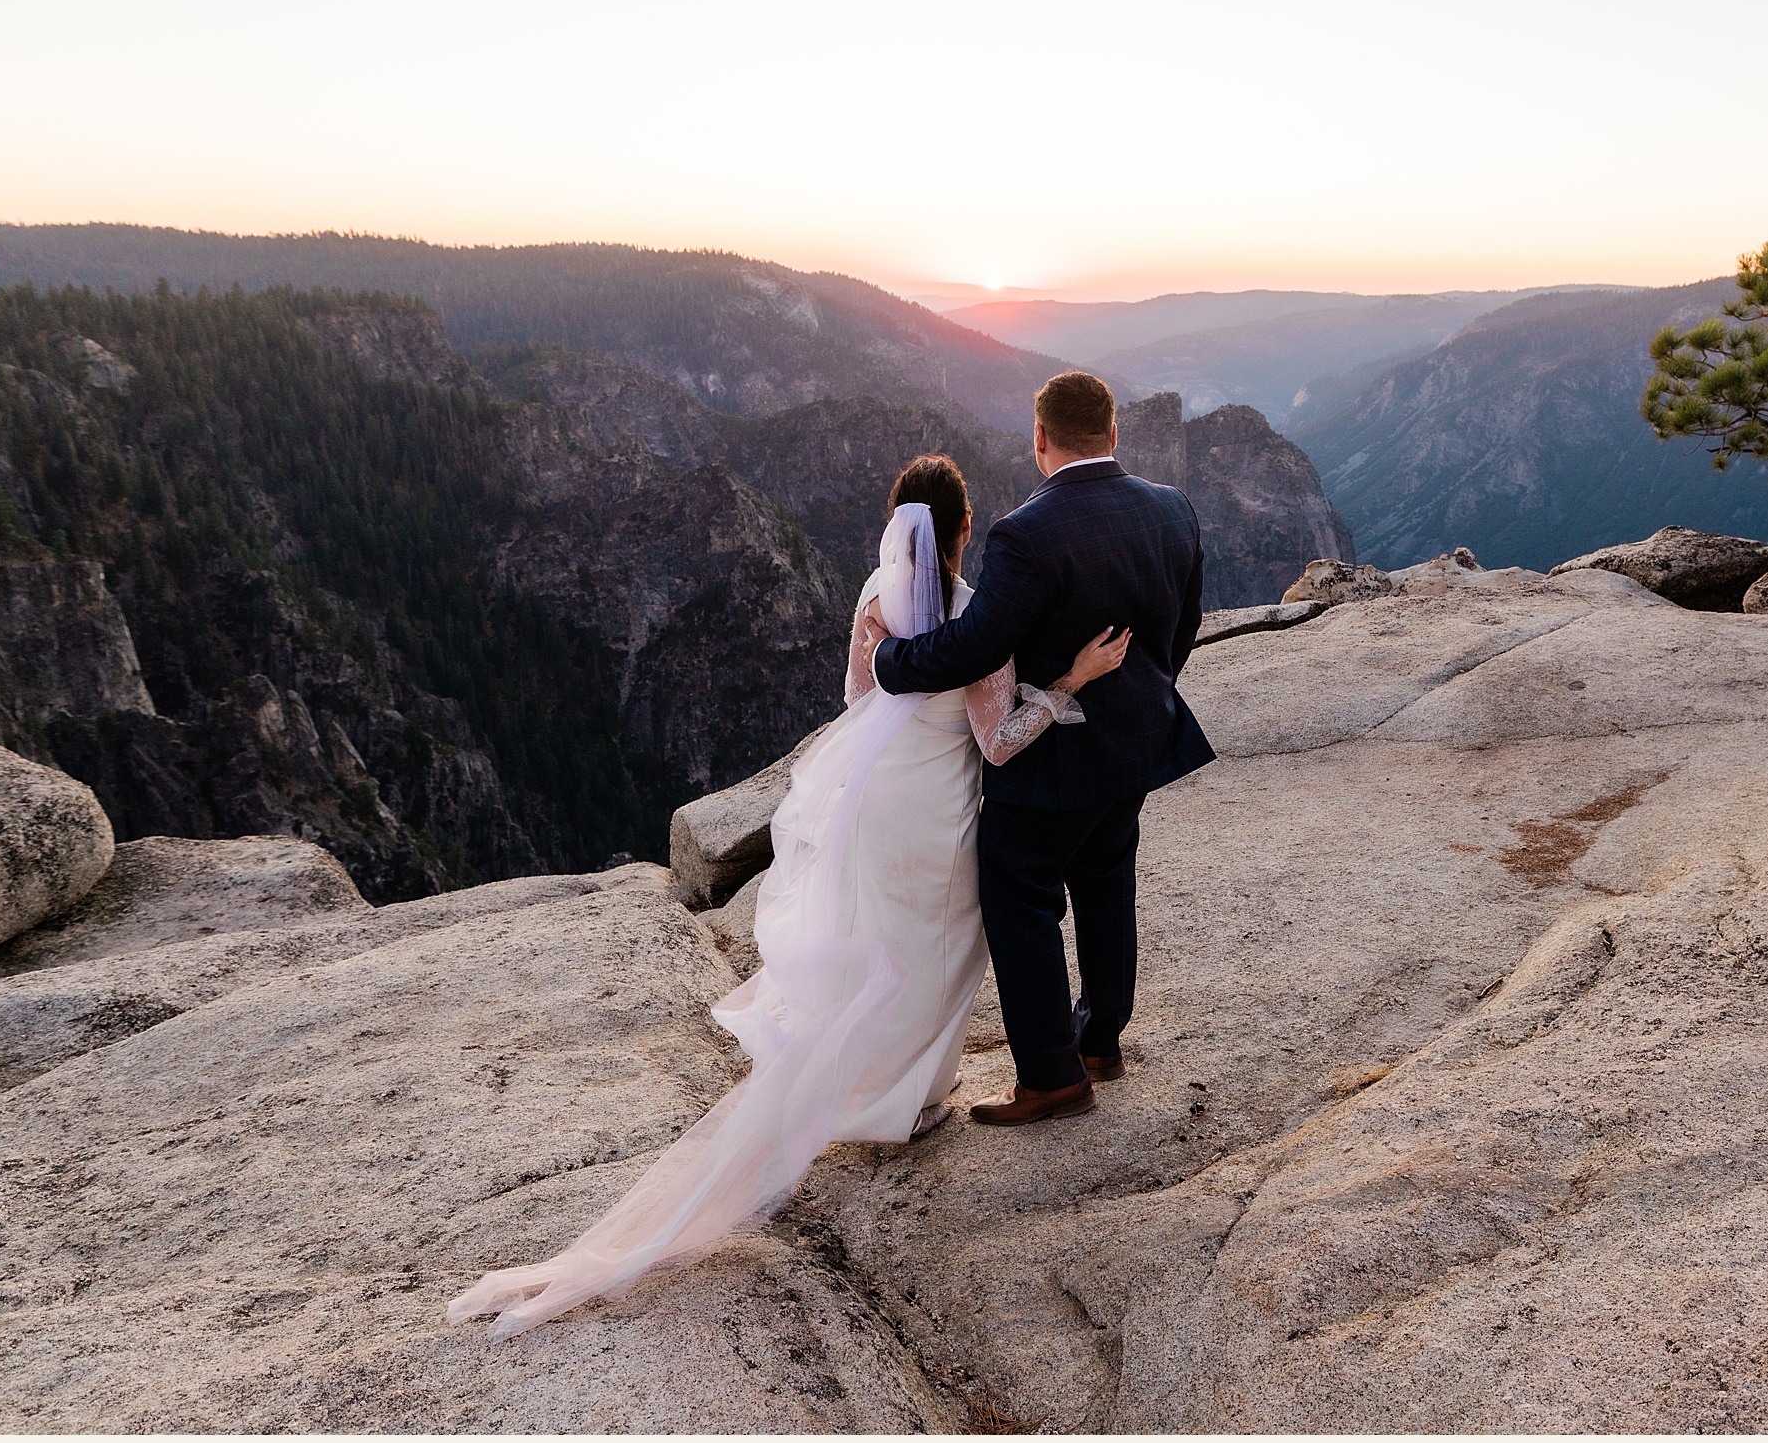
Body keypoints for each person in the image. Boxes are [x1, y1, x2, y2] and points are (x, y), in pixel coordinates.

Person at [447, 453, 1130, 1340]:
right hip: (937, 810)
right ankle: (914, 1098)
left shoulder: (873, 600)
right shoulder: (978, 618)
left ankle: (885, 1093)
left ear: (898, 526)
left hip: (874, 797)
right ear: (965, 530)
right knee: (939, 950)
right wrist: (1072, 683)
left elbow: (857, 697)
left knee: (880, 943)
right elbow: (997, 741)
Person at [868, 369, 1216, 1125]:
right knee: (1104, 880)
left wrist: (887, 662)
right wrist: (1141, 696)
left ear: (1039, 439)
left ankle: (1052, 1076)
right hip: (1136, 746)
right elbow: (1181, 628)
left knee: (1018, 894)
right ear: (1114, 432)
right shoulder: (1172, 509)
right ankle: (1101, 1043)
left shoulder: (1027, 533)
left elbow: (972, 646)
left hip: (1052, 763)